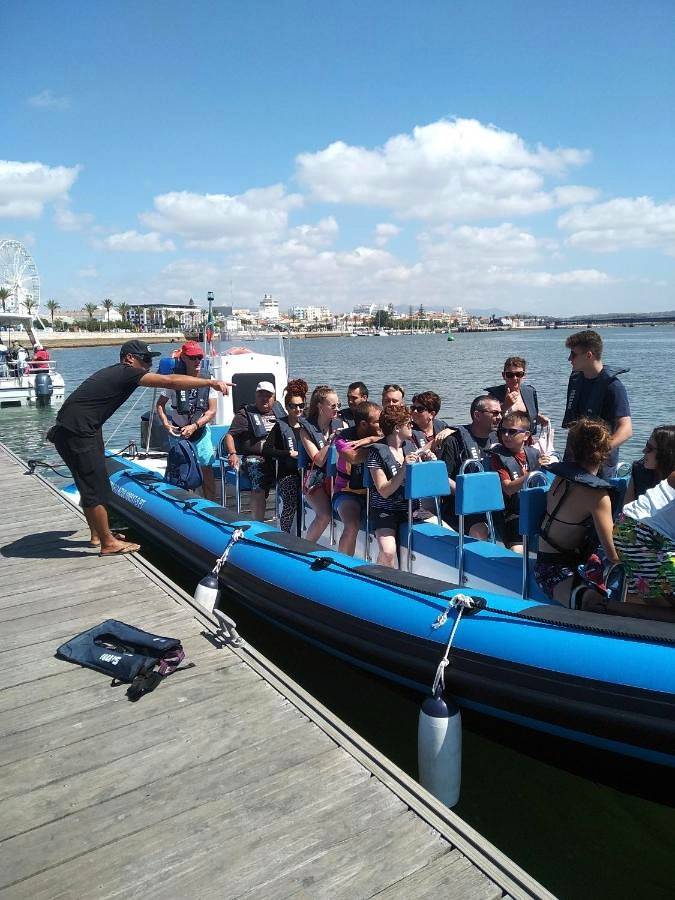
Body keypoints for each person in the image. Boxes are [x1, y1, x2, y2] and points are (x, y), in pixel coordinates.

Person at [49, 340, 231, 556]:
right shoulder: (127, 372)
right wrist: (209, 383)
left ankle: (98, 535)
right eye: (145, 360)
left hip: (79, 429)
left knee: (91, 483)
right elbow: (169, 381)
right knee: (93, 486)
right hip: (78, 432)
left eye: (151, 361)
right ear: (129, 359)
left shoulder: (117, 373)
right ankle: (108, 543)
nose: (149, 365)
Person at [533, 418, 619, 606]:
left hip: (545, 564)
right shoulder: (597, 496)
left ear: (572, 449)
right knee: (602, 604)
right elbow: (613, 554)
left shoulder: (560, 477)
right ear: (605, 453)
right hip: (557, 571)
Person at [562, 330, 632, 478]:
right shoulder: (576, 380)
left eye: (573, 354)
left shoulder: (613, 387)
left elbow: (626, 430)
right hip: (573, 458)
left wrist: (598, 452)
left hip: (600, 464)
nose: (569, 358)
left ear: (589, 355)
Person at [155, 340, 219, 500]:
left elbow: (211, 411)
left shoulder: (208, 379)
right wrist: (166, 423)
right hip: (178, 432)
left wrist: (195, 426)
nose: (197, 361)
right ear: (184, 358)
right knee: (183, 471)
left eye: (199, 357)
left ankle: (211, 504)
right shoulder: (174, 380)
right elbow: (160, 405)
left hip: (200, 432)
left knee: (207, 470)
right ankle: (186, 504)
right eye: (193, 358)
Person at [438, 395, 502, 538]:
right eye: (495, 413)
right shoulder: (454, 441)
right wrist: (468, 494)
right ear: (477, 415)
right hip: (462, 506)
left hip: (493, 502)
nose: (499, 417)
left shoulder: (499, 440)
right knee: (480, 531)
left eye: (501, 413)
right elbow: (442, 478)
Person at [223, 380, 287, 522]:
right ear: (255, 396)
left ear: (274, 397)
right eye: (261, 395)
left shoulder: (279, 410)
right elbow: (230, 435)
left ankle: (289, 523)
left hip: (278, 454)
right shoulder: (244, 414)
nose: (264, 398)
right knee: (258, 481)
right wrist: (232, 453)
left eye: (268, 395)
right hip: (256, 456)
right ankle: (258, 523)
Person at [367, 405, 420, 567]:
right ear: (397, 428)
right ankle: (380, 580)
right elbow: (383, 491)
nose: (412, 427)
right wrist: (403, 468)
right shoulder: (376, 453)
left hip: (411, 508)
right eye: (409, 424)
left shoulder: (411, 448)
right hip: (385, 510)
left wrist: (427, 463)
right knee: (388, 551)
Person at [488, 411, 546, 553]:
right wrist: (533, 472)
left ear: (526, 435)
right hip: (510, 513)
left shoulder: (534, 454)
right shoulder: (498, 458)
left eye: (512, 432)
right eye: (503, 431)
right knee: (517, 549)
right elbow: (508, 488)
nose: (506, 435)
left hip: (534, 509)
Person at [333, 400, 382, 555]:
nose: (382, 426)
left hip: (375, 494)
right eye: (377, 422)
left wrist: (373, 440)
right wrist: (378, 444)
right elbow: (354, 457)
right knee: (352, 524)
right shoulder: (342, 439)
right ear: (363, 424)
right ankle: (342, 564)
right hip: (347, 494)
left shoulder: (380, 436)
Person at [262, 379, 308, 533]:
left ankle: (306, 535)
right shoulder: (280, 426)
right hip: (288, 474)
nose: (298, 409)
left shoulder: (308, 426)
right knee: (290, 503)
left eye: (301, 406)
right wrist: (288, 453)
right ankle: (285, 535)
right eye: (293, 406)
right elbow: (267, 450)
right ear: (287, 407)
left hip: (306, 474)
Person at [299, 385, 343, 542]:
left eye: (339, 405)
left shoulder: (340, 425)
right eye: (333, 406)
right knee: (324, 515)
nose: (337, 409)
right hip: (315, 479)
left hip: (337, 476)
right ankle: (305, 548)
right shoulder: (305, 430)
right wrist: (331, 440)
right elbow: (318, 459)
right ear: (320, 406)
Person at [485, 357, 549, 431]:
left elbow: (530, 416)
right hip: (503, 438)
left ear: (524, 375)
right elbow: (487, 422)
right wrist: (505, 405)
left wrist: (540, 418)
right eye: (510, 375)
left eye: (519, 374)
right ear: (503, 375)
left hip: (525, 438)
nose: (515, 378)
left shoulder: (530, 392)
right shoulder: (493, 395)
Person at [623, 426, 675, 503]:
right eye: (646, 445)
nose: (643, 451)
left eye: (649, 448)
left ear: (665, 453)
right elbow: (627, 508)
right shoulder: (638, 470)